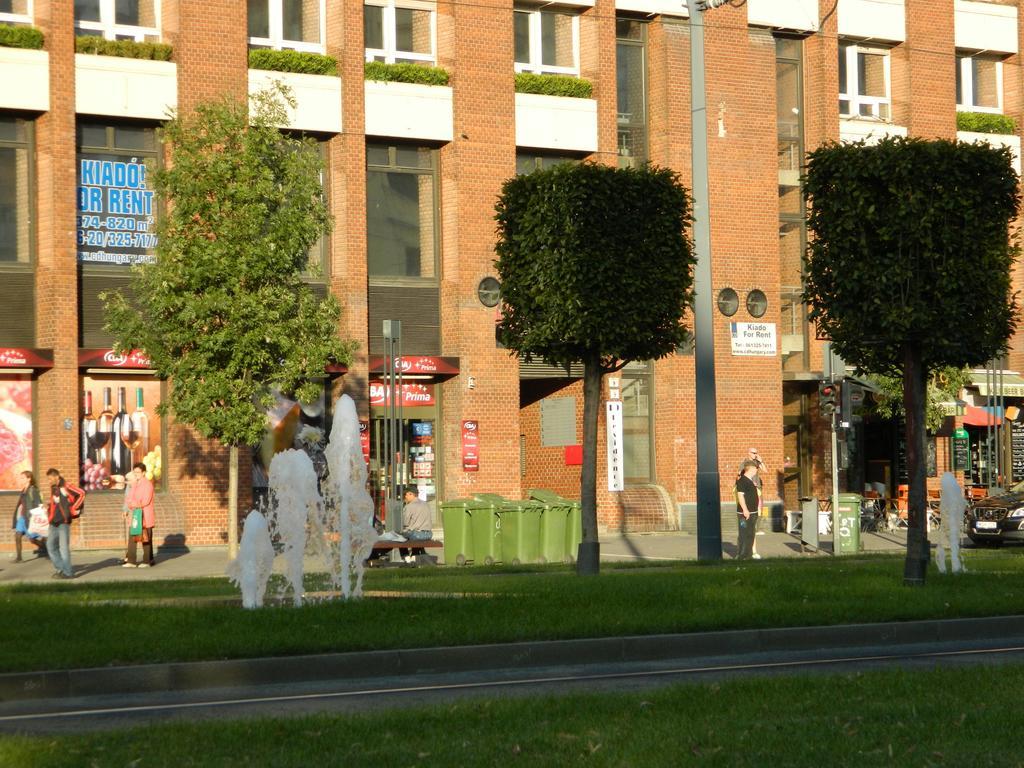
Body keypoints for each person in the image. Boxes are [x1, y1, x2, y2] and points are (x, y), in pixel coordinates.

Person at [45, 467, 84, 579]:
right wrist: (48, 508)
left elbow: (81, 493)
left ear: (57, 476)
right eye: (48, 479)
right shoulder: (54, 488)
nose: (49, 481)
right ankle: (61, 568)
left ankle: (68, 573)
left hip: (63, 522)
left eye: (50, 478)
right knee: (50, 546)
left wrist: (73, 508)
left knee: (63, 548)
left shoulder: (66, 486)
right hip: (53, 522)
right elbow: (56, 504)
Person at [124, 462, 156, 568]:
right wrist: (131, 504)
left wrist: (134, 503)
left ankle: (147, 561)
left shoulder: (148, 484)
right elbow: (129, 498)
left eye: (138, 472)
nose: (136, 474)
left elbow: (145, 501)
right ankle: (131, 561)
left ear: (143, 473)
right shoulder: (134, 484)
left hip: (145, 515)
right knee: (132, 537)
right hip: (136, 515)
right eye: (135, 472)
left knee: (145, 538)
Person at [737, 447, 767, 559]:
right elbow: (739, 476)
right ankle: (743, 552)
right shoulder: (744, 463)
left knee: (753, 523)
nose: (756, 454)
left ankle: (752, 550)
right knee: (744, 528)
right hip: (747, 492)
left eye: (757, 453)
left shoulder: (757, 463)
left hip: (756, 491)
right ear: (748, 453)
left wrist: (761, 461)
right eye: (754, 453)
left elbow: (766, 471)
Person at [11, 471, 44, 562]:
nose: (21, 479)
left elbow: (39, 503)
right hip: (22, 517)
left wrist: (37, 516)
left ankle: (46, 548)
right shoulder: (23, 490)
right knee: (17, 535)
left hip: (30, 517)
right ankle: (19, 558)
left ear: (29, 478)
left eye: (23, 478)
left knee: (32, 539)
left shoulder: (33, 490)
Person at [735, 460, 760, 560]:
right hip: (744, 514)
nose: (756, 470)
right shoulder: (742, 481)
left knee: (751, 534)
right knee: (744, 534)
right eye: (755, 468)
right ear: (751, 468)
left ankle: (748, 555)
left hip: (753, 512)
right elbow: (740, 496)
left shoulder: (750, 481)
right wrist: (745, 510)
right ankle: (742, 555)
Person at [400, 488, 433, 563]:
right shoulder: (426, 504)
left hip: (417, 535)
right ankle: (414, 558)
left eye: (406, 494)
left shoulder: (409, 506)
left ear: (412, 494)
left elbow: (405, 523)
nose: (405, 496)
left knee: (399, 538)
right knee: (415, 541)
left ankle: (407, 559)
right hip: (428, 534)